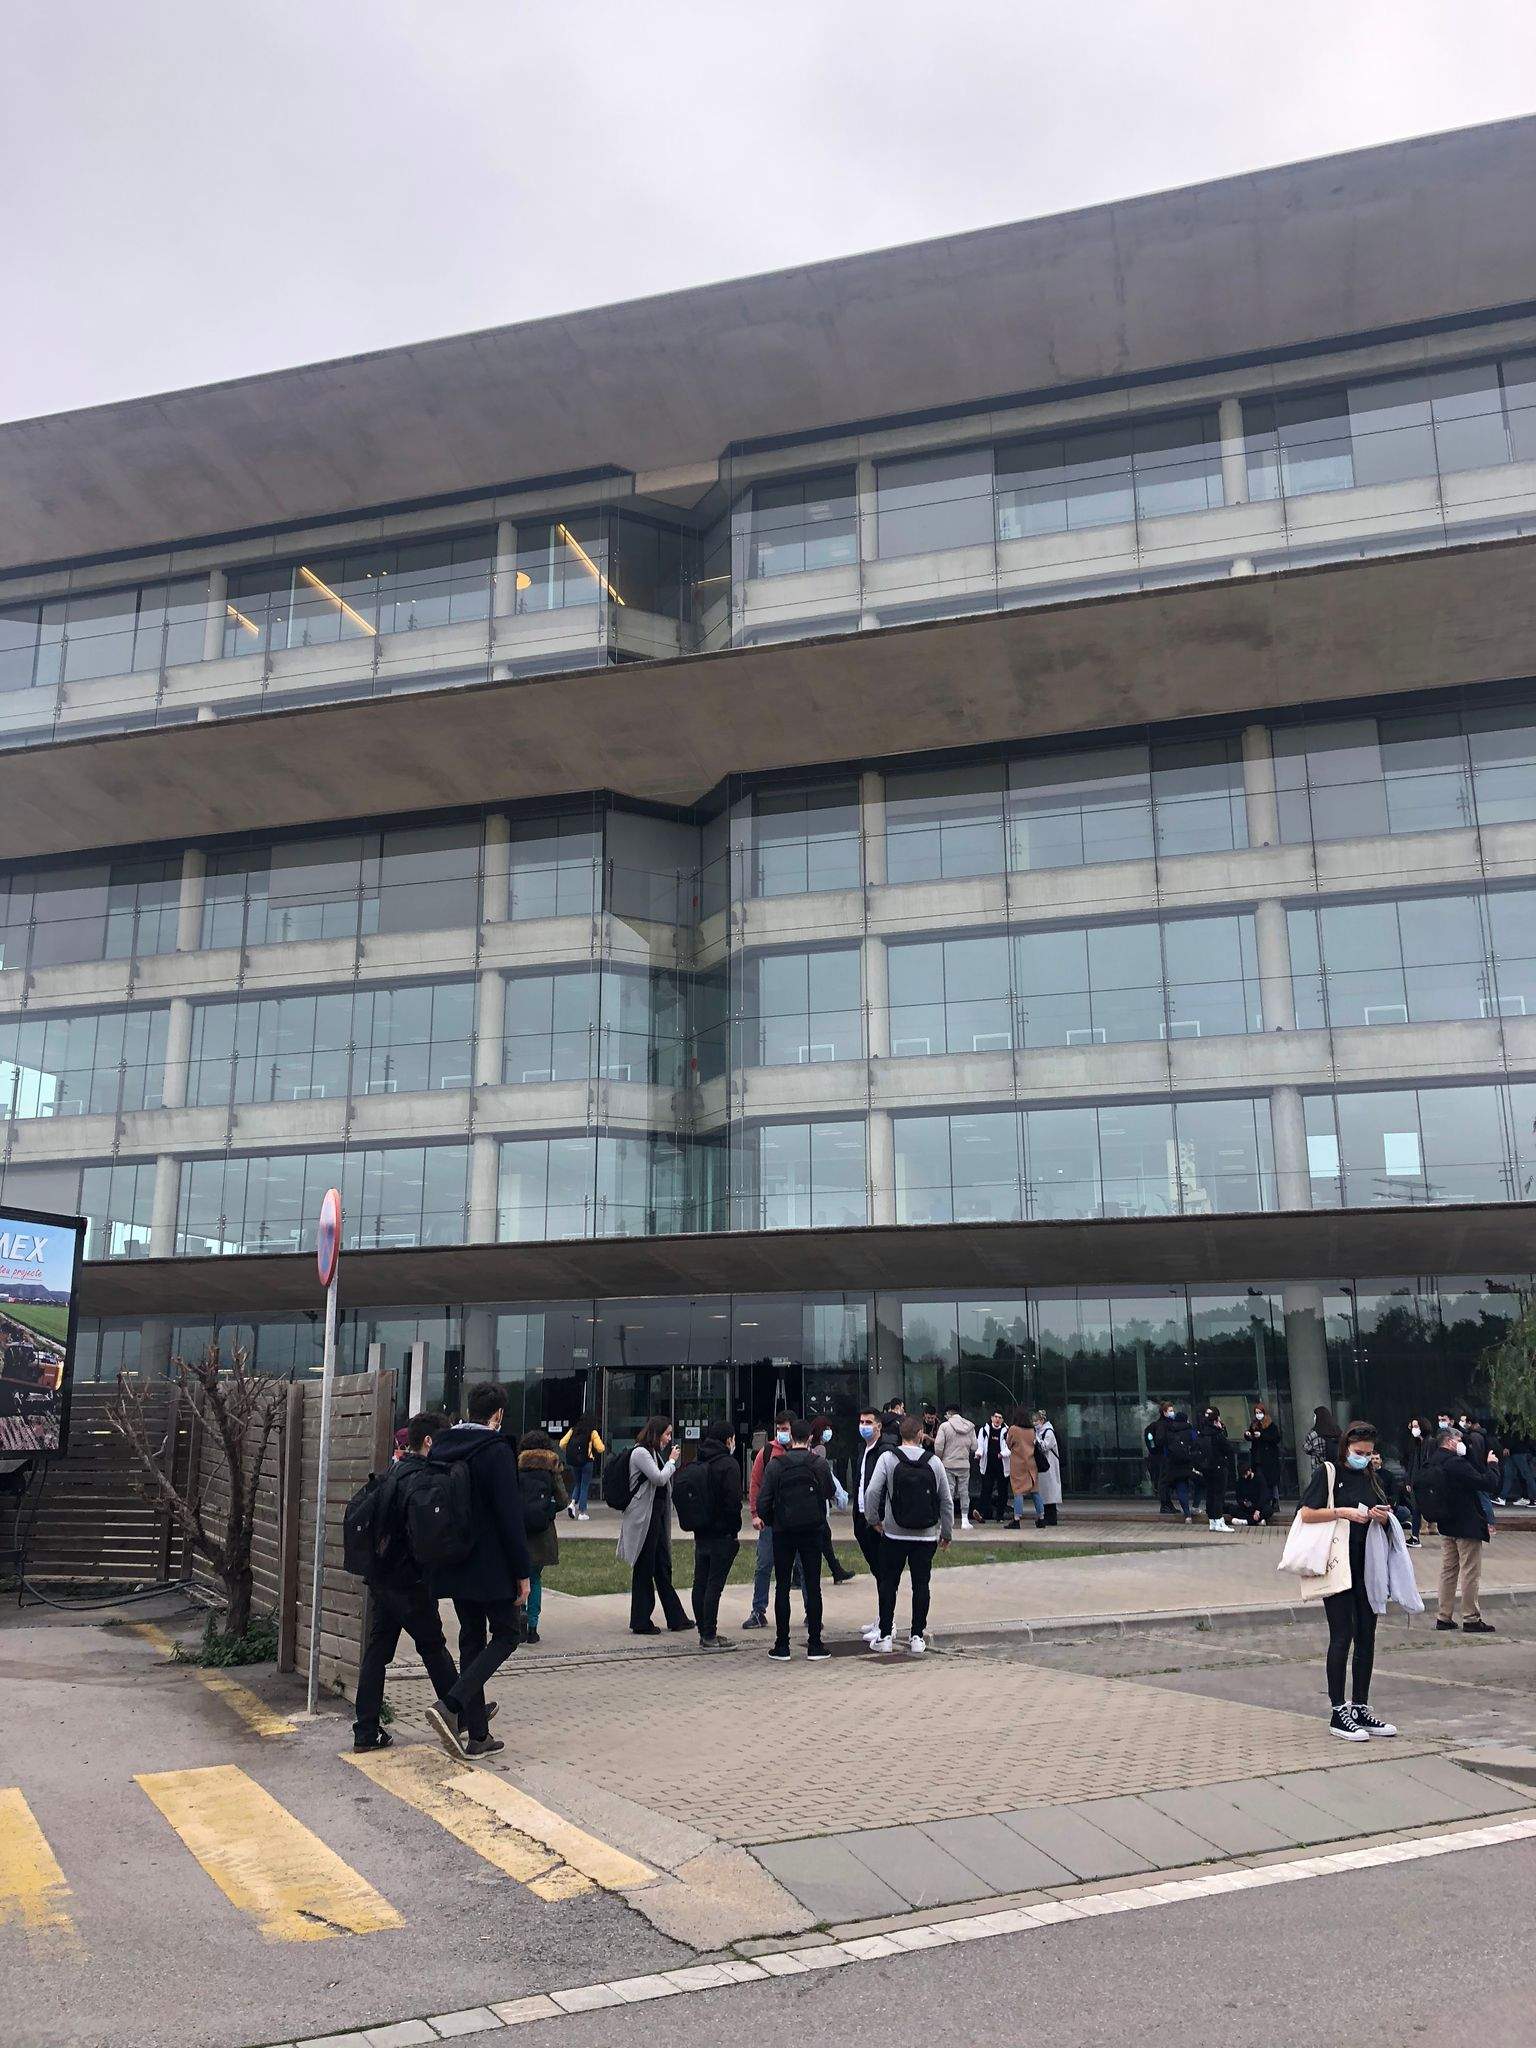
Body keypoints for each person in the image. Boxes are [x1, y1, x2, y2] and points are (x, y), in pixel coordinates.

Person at [423, 1382, 531, 1760]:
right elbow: (509, 1516)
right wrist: (522, 1570)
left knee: (471, 1637)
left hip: (454, 1560)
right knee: (507, 1634)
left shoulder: (444, 1446)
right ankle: (451, 1705)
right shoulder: (496, 1451)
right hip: (491, 1566)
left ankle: (478, 1736)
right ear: (498, 1415)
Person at [352, 1410, 461, 1753]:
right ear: (429, 1441)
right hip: (408, 1581)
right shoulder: (423, 1479)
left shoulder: (394, 1472)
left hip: (382, 1577)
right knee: (432, 1645)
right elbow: (426, 1539)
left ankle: (366, 1731)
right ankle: (460, 1712)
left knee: (378, 1652)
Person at [1296, 1420, 1403, 1742]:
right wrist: (1342, 1511)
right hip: (1337, 1562)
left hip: (1366, 1562)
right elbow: (1306, 1513)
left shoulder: (1371, 1476)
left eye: (1370, 1453)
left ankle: (1360, 1705)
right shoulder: (1329, 1473)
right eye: (1359, 1452)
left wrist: (1382, 1517)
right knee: (1342, 1634)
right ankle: (1338, 1709)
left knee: (1367, 1634)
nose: (1365, 1457)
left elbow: (1383, 1512)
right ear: (1346, 1448)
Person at [865, 1412, 954, 1653]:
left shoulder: (888, 1458)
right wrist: (946, 1532)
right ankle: (917, 1636)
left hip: (894, 1533)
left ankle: (885, 1636)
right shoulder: (933, 1462)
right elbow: (946, 1500)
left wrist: (873, 1520)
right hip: (925, 1536)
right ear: (920, 1435)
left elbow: (872, 1492)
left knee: (888, 1583)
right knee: (921, 1585)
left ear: (900, 1435)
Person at [755, 1415, 834, 1662]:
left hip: (783, 1532)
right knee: (813, 1585)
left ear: (789, 1439)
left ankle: (782, 1645)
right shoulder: (819, 1464)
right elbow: (829, 1493)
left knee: (782, 1587)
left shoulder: (776, 1465)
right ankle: (814, 1644)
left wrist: (773, 1519)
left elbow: (763, 1500)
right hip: (812, 1531)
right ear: (810, 1438)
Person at [618, 1415, 693, 1636]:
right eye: (667, 1434)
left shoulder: (652, 1454)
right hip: (644, 1519)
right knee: (645, 1567)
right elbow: (659, 1478)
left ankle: (676, 1617)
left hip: (656, 1516)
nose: (669, 1439)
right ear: (656, 1432)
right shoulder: (641, 1452)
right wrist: (671, 1461)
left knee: (662, 1566)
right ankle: (640, 1620)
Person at [1430, 1425, 1498, 1633]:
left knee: (1448, 1571)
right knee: (1470, 1571)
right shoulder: (1455, 1463)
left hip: (1446, 1523)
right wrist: (1492, 1465)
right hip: (1466, 1524)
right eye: (1459, 1441)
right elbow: (1487, 1483)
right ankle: (1470, 1617)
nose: (1462, 1445)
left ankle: (1444, 1616)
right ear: (1450, 1442)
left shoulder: (1432, 1461)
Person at [687, 1421, 744, 1650]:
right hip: (722, 1532)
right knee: (714, 1585)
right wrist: (734, 1527)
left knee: (699, 1582)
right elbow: (733, 1502)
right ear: (728, 1440)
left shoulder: (700, 1460)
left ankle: (703, 1630)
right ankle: (709, 1634)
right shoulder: (728, 1465)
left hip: (701, 1530)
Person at [516, 1427, 568, 1645]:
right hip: (543, 1534)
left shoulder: (516, 1467)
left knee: (519, 1578)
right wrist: (547, 1511)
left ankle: (519, 1620)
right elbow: (564, 1501)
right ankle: (533, 1627)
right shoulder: (552, 1469)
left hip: (519, 1532)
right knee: (535, 1579)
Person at [742, 1410, 792, 1630]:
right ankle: (758, 1610)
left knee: (802, 1566)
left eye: (786, 1429)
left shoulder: (803, 1451)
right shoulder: (767, 1452)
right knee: (763, 1565)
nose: (782, 1433)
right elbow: (755, 1484)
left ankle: (812, 1613)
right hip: (770, 1519)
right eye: (779, 1429)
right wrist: (755, 1514)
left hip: (796, 1520)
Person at [805, 1414, 858, 1585]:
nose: (829, 1432)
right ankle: (832, 1571)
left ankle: (836, 1570)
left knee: (824, 1537)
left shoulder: (810, 1446)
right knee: (821, 1537)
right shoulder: (819, 1449)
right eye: (826, 1429)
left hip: (810, 1500)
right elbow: (823, 1474)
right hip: (815, 1501)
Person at [934, 1405, 978, 1529]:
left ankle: (948, 1521)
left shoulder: (944, 1426)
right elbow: (974, 1447)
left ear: (949, 1413)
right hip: (964, 1464)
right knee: (964, 1492)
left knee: (948, 1493)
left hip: (948, 1464)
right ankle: (965, 1520)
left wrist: (940, 1458)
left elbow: (938, 1446)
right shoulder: (970, 1427)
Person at [558, 1412, 604, 1521]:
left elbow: (561, 1444)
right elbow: (601, 1448)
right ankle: (582, 1512)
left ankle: (572, 1503)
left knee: (577, 1484)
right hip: (587, 1462)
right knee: (584, 1486)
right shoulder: (592, 1432)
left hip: (575, 1462)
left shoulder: (573, 1430)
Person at [1198, 1405, 1235, 1533]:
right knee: (1219, 1495)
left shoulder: (1202, 1433)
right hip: (1219, 1467)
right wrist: (1221, 1430)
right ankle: (1219, 1520)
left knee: (1210, 1494)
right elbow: (1228, 1449)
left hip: (1207, 1467)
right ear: (1216, 1419)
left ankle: (1212, 1521)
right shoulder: (1217, 1434)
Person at [1243, 1402, 1282, 1523]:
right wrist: (1248, 1434)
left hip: (1269, 1459)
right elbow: (1249, 1436)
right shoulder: (1254, 1424)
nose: (1258, 1415)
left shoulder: (1271, 1425)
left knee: (1269, 1482)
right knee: (1261, 1481)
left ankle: (1272, 1503)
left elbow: (1275, 1438)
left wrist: (1262, 1435)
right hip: (1258, 1458)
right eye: (1256, 1413)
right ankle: (1264, 1504)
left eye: (1260, 1413)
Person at [1005, 1408, 1042, 1528]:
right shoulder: (1032, 1430)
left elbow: (1008, 1444)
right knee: (1035, 1490)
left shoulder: (1013, 1429)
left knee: (1018, 1491)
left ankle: (1017, 1519)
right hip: (1031, 1463)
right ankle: (1041, 1517)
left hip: (1018, 1463)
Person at [975, 1409, 1010, 1524]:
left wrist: (1002, 1454)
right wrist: (979, 1454)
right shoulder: (984, 1430)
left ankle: (1000, 1515)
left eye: (1000, 1417)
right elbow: (980, 1445)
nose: (997, 1419)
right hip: (988, 1465)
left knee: (1002, 1491)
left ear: (1002, 1420)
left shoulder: (1007, 1431)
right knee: (986, 1489)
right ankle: (981, 1513)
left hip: (1002, 1465)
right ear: (991, 1418)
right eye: (995, 1417)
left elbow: (1010, 1447)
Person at [1163, 1410, 1198, 1523]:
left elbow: (1166, 1449)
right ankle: (1195, 1506)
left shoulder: (1170, 1431)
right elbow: (1197, 1444)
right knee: (1201, 1483)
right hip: (1190, 1463)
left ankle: (1187, 1514)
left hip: (1175, 1465)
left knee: (1181, 1489)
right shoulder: (1190, 1431)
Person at [1402, 1415, 1432, 1545]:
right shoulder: (1416, 1444)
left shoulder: (1430, 1443)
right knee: (1415, 1510)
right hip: (1416, 1482)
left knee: (1424, 1509)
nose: (1414, 1429)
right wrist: (1409, 1481)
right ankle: (1415, 1536)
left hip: (1424, 1482)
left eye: (1416, 1426)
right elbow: (1412, 1464)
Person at [1031, 1409, 1062, 1527]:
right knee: (1044, 1492)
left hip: (1049, 1466)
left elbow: (1044, 1446)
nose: (1035, 1423)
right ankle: (1045, 1516)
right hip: (1043, 1467)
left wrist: (1036, 1439)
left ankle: (1051, 1518)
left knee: (1050, 1492)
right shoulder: (1039, 1432)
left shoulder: (1049, 1432)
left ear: (1042, 1420)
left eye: (1036, 1421)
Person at [1147, 1401, 1176, 1512]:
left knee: (1165, 1482)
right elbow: (1160, 1440)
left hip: (1163, 1456)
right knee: (1164, 1482)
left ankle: (1167, 1504)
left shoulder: (1164, 1424)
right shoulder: (1163, 1425)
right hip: (1163, 1456)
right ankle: (1165, 1504)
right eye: (1170, 1411)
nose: (1172, 1413)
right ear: (1164, 1412)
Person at [1304, 1405, 1341, 1474]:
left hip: (1319, 1468)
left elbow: (1306, 1449)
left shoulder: (1314, 1434)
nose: (1314, 1418)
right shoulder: (1336, 1430)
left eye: (1315, 1416)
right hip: (1335, 1468)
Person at [1232, 1456, 1266, 1526]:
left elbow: (1263, 1495)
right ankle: (1256, 1521)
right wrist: (1243, 1502)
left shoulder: (1259, 1479)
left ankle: (1245, 1522)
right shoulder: (1240, 1481)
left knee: (1268, 1510)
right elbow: (1238, 1496)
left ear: (1250, 1470)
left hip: (1257, 1506)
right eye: (1243, 1475)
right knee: (1232, 1509)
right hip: (1246, 1507)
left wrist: (1258, 1510)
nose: (1245, 1477)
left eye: (1246, 1474)